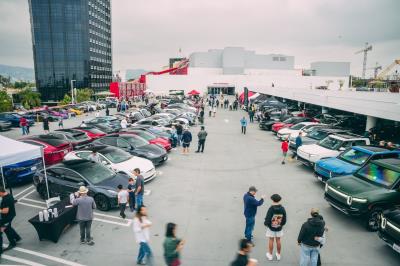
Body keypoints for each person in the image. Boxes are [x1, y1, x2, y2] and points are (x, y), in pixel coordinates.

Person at [264, 194, 287, 261]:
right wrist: (281, 224)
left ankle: (270, 255)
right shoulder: (282, 209)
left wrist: (266, 224)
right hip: (279, 227)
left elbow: (268, 219)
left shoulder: (271, 209)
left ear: (272, 200)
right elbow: (284, 219)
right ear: (279, 200)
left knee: (271, 240)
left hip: (271, 227)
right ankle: (278, 254)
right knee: (278, 240)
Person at [0, 187, 21, 256]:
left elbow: (5, 211)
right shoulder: (9, 195)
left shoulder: (6, 199)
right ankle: (17, 237)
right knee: (8, 227)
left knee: (6, 229)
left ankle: (12, 243)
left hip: (7, 217)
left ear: (1, 192)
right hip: (11, 215)